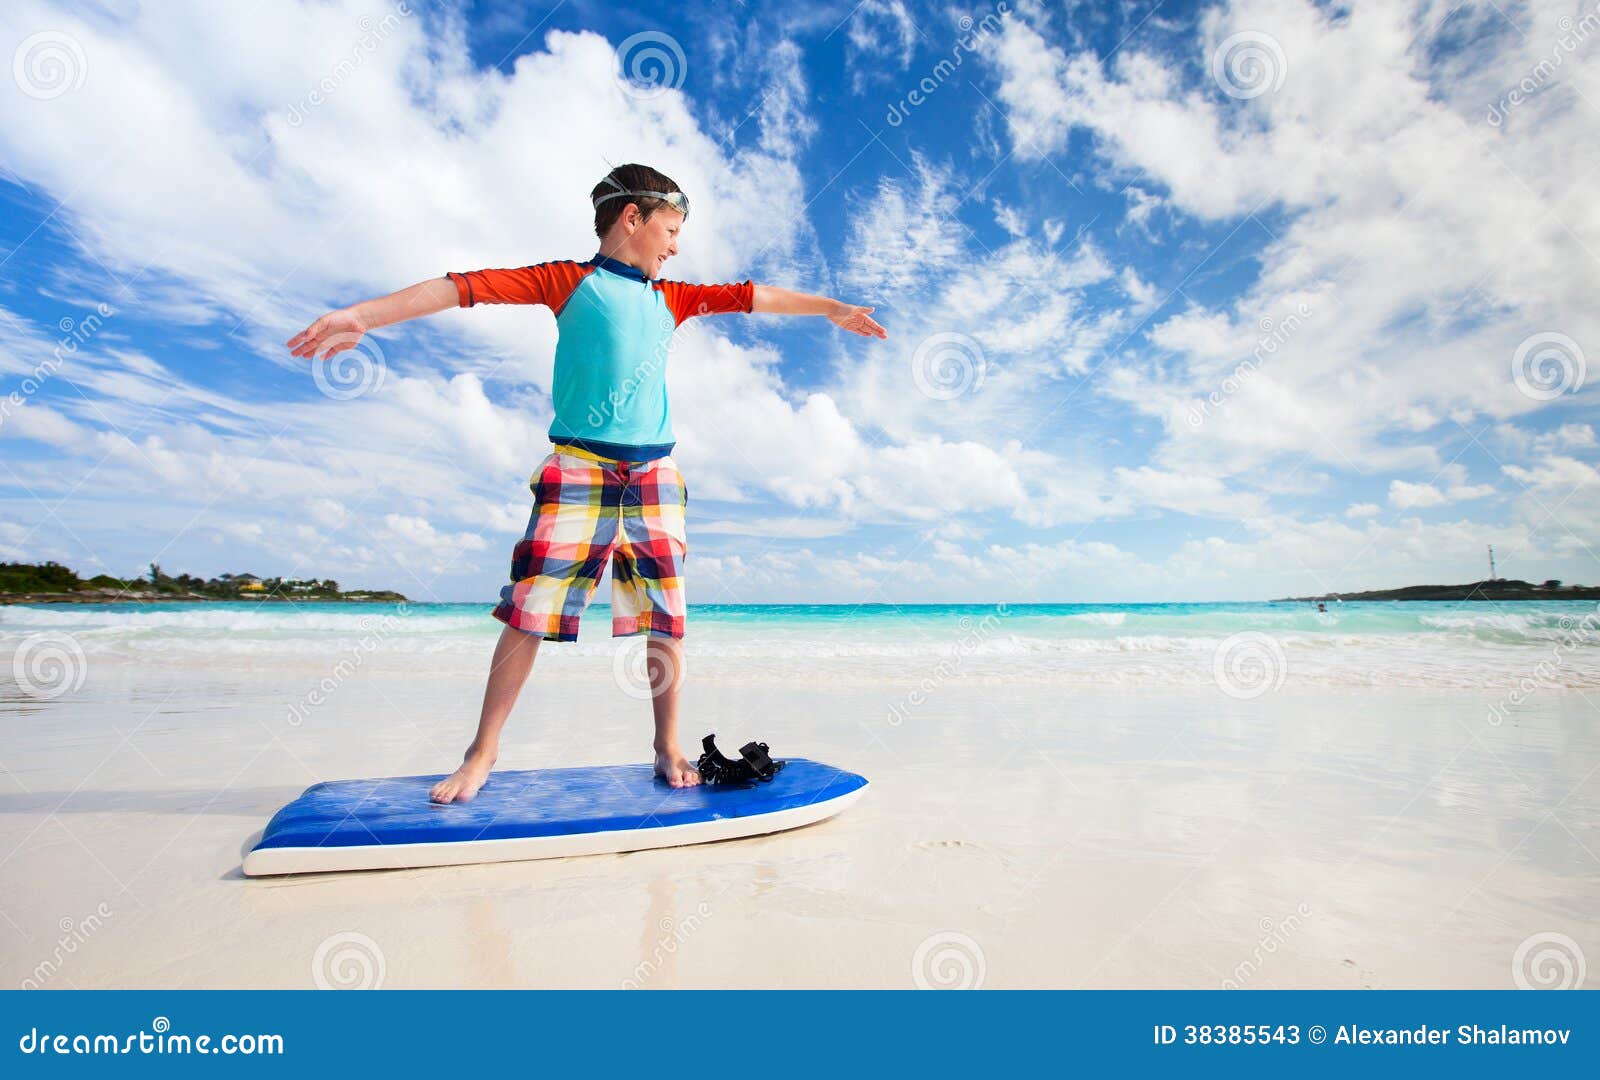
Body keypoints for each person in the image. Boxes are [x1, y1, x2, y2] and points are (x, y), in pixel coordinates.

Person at [286, 163, 887, 803]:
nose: (675, 245)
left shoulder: (673, 297)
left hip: (654, 474)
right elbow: (461, 288)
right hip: (577, 469)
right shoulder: (566, 282)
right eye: (671, 228)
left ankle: (667, 746)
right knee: (529, 612)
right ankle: (481, 752)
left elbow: (752, 296)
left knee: (665, 617)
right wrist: (363, 316)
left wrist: (832, 309)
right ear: (634, 218)